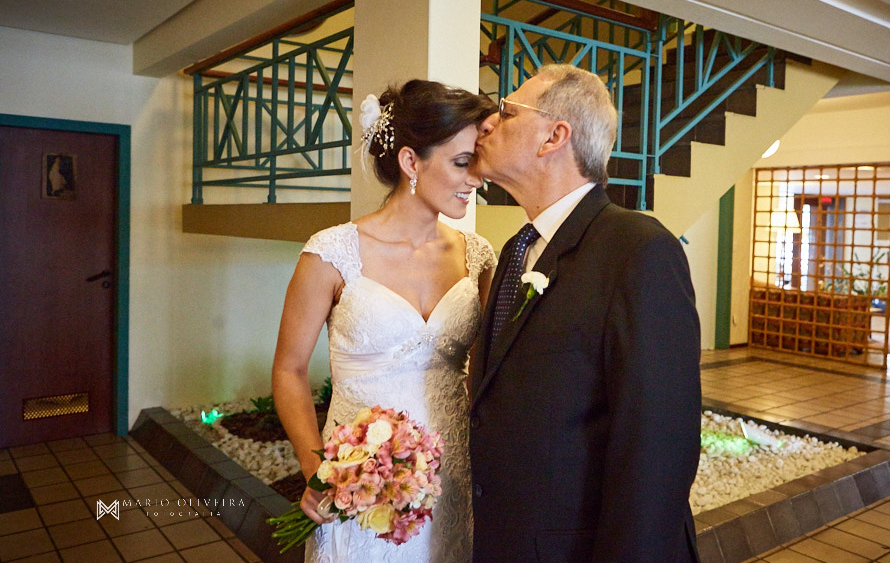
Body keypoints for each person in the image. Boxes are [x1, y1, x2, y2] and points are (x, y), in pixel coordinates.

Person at [469, 64, 702, 562]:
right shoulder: (515, 250)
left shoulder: (639, 250)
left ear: (555, 136)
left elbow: (656, 449)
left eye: (507, 113)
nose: (487, 123)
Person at [272, 79, 498, 563]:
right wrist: (318, 470)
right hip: (360, 481)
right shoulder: (332, 253)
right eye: (462, 163)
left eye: (476, 163)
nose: (476, 178)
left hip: (452, 476)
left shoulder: (478, 257)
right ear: (411, 162)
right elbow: (289, 370)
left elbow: (486, 376)